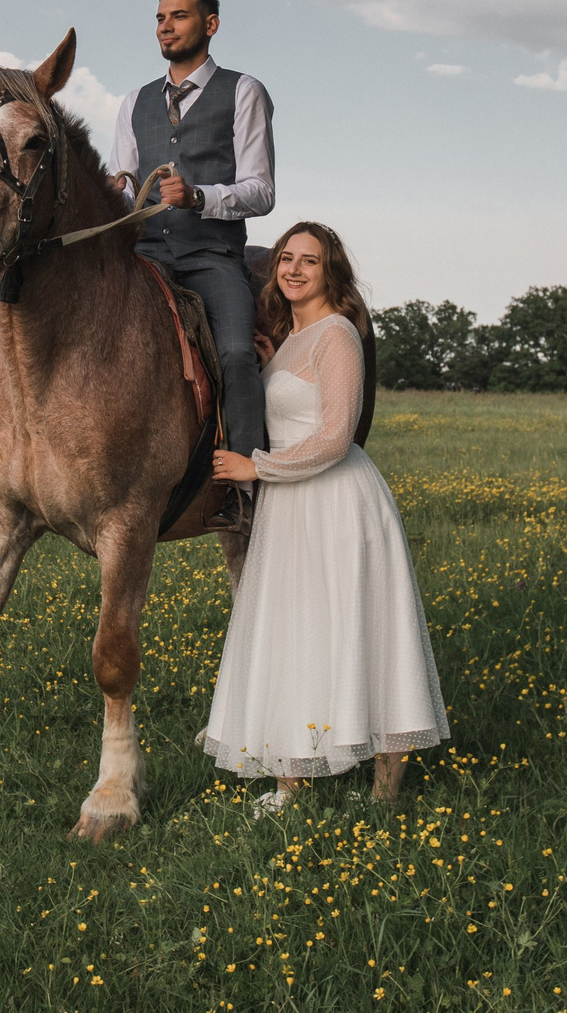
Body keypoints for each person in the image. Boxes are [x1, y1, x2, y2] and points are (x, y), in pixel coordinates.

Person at [200, 223, 450, 808]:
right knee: (298, 633)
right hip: (294, 506)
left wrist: (253, 467)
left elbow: (336, 437)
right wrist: (270, 363)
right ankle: (293, 777)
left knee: (365, 632)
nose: (291, 269)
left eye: (307, 261)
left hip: (335, 503)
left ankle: (386, 792)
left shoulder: (337, 334)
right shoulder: (294, 336)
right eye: (285, 258)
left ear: (330, 271)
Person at [108, 0, 275, 467]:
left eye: (178, 16)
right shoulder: (133, 102)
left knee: (238, 356)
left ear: (211, 24)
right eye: (160, 18)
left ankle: (243, 482)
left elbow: (261, 191)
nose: (166, 27)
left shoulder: (244, 91)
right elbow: (125, 185)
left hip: (211, 256)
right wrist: (112, 195)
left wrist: (198, 197)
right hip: (145, 257)